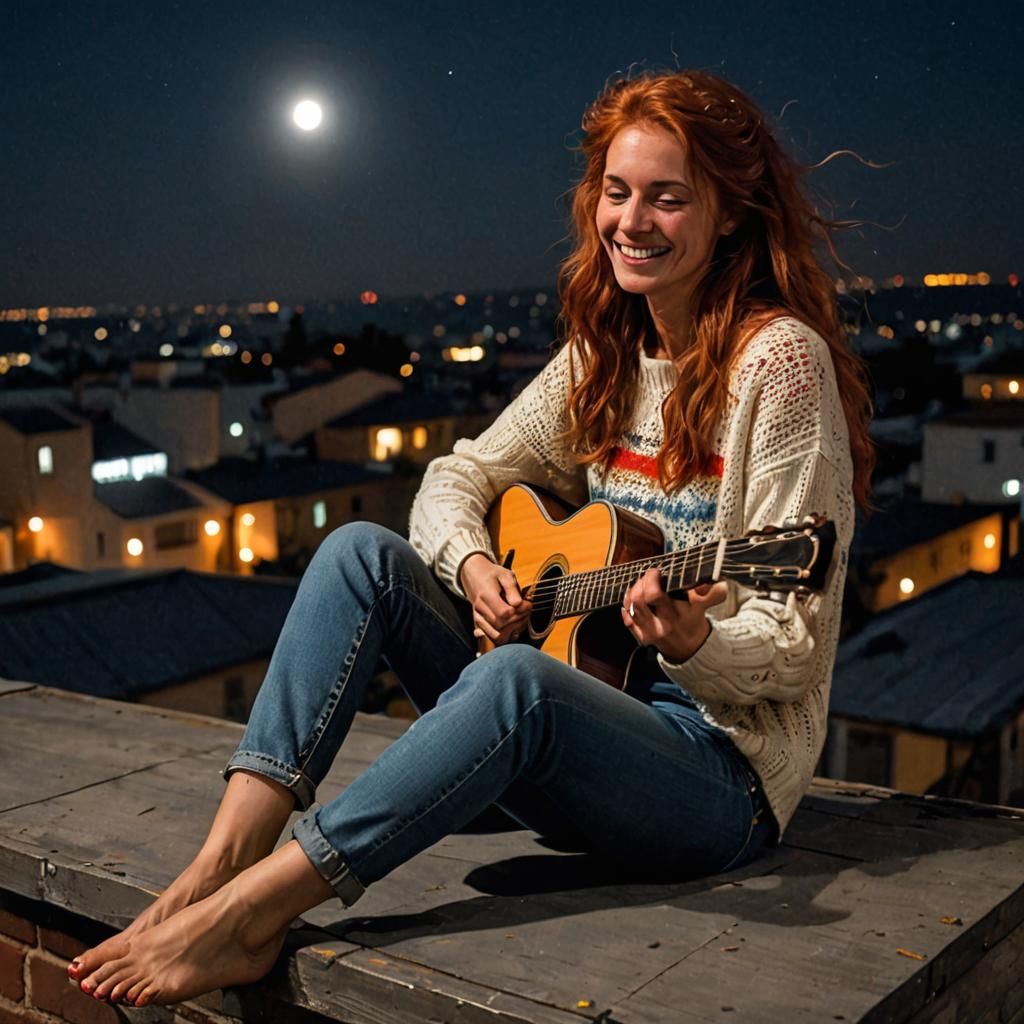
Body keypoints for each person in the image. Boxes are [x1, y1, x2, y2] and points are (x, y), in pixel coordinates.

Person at [67, 69, 872, 1007]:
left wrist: (694, 642)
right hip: (581, 734)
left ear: (730, 214)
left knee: (516, 682)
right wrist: (476, 564)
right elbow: (458, 475)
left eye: (667, 197)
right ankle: (223, 860)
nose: (632, 220)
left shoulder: (778, 365)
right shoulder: (605, 357)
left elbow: (795, 642)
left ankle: (253, 913)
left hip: (719, 780)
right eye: (617, 192)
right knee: (358, 555)